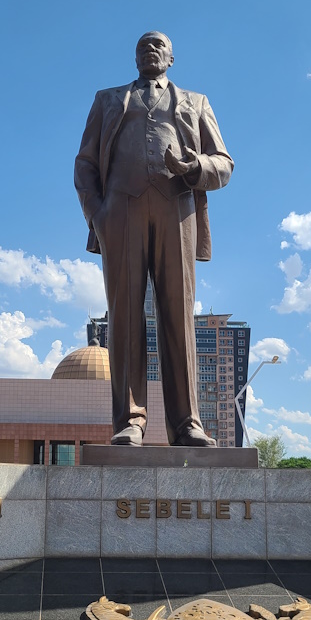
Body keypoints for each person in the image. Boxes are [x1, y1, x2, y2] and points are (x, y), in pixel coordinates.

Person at [74, 32, 233, 447]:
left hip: (176, 210)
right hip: (119, 213)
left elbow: (224, 163)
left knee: (178, 315)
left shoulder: (196, 102)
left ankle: (187, 423)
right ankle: (130, 420)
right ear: (134, 55)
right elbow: (86, 162)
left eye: (159, 44)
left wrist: (195, 165)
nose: (150, 48)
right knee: (124, 314)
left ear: (172, 58)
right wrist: (97, 213)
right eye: (143, 44)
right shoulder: (108, 100)